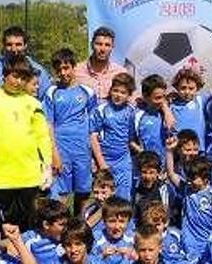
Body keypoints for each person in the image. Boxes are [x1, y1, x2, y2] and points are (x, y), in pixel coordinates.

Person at [0, 54, 53, 231]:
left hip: (29, 178)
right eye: (15, 76)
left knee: (27, 230)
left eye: (23, 78)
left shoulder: (33, 103)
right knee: (7, 230)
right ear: (4, 75)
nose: (18, 82)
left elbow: (42, 137)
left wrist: (47, 167)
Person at [42, 48, 97, 210]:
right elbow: (48, 124)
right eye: (59, 70)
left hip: (82, 151)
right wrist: (54, 154)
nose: (63, 73)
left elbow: (93, 125)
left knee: (83, 193)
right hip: (61, 149)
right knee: (61, 195)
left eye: (66, 68)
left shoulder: (87, 92)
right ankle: (60, 230)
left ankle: (81, 229)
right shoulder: (52, 92)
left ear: (74, 67)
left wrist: (93, 155)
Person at [90, 72, 137, 200]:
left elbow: (131, 138)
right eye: (115, 91)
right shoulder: (101, 109)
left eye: (123, 93)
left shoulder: (131, 111)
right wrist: (101, 163)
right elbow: (93, 137)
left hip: (123, 161)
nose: (118, 95)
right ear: (110, 90)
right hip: (105, 160)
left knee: (124, 199)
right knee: (103, 198)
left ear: (129, 95)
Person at [179, 157, 212, 264]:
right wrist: (169, 152)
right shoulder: (187, 190)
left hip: (207, 241)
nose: (191, 181)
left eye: (194, 178)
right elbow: (172, 174)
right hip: (189, 242)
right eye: (189, 178)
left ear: (205, 179)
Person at [0, 26, 52, 100]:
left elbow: (46, 101)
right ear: (3, 46)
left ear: (25, 45)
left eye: (18, 44)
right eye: (9, 45)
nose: (14, 49)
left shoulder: (38, 71)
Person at [92, 198, 136, 264]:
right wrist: (101, 255)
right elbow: (88, 263)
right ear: (104, 220)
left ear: (128, 221)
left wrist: (132, 254)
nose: (117, 226)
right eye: (111, 221)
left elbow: (143, 259)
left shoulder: (132, 238)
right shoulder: (96, 237)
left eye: (122, 222)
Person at [131, 74, 176, 164]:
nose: (161, 100)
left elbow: (174, 137)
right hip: (145, 167)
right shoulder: (136, 115)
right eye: (157, 98)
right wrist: (143, 154)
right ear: (145, 96)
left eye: (163, 96)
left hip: (165, 168)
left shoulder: (169, 112)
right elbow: (131, 140)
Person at [76, 26, 130, 100]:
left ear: (112, 47)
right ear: (92, 45)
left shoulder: (121, 72)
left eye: (107, 45)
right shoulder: (76, 71)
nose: (103, 49)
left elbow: (131, 99)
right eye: (99, 44)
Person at [170, 66, 207, 151]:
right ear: (177, 88)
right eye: (183, 88)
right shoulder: (171, 105)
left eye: (191, 88)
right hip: (179, 151)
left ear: (197, 88)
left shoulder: (201, 101)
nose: (187, 92)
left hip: (198, 150)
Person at [133, 151, 174, 219]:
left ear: (158, 173)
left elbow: (166, 211)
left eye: (151, 172)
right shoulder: (134, 188)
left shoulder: (163, 188)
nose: (148, 177)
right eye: (144, 172)